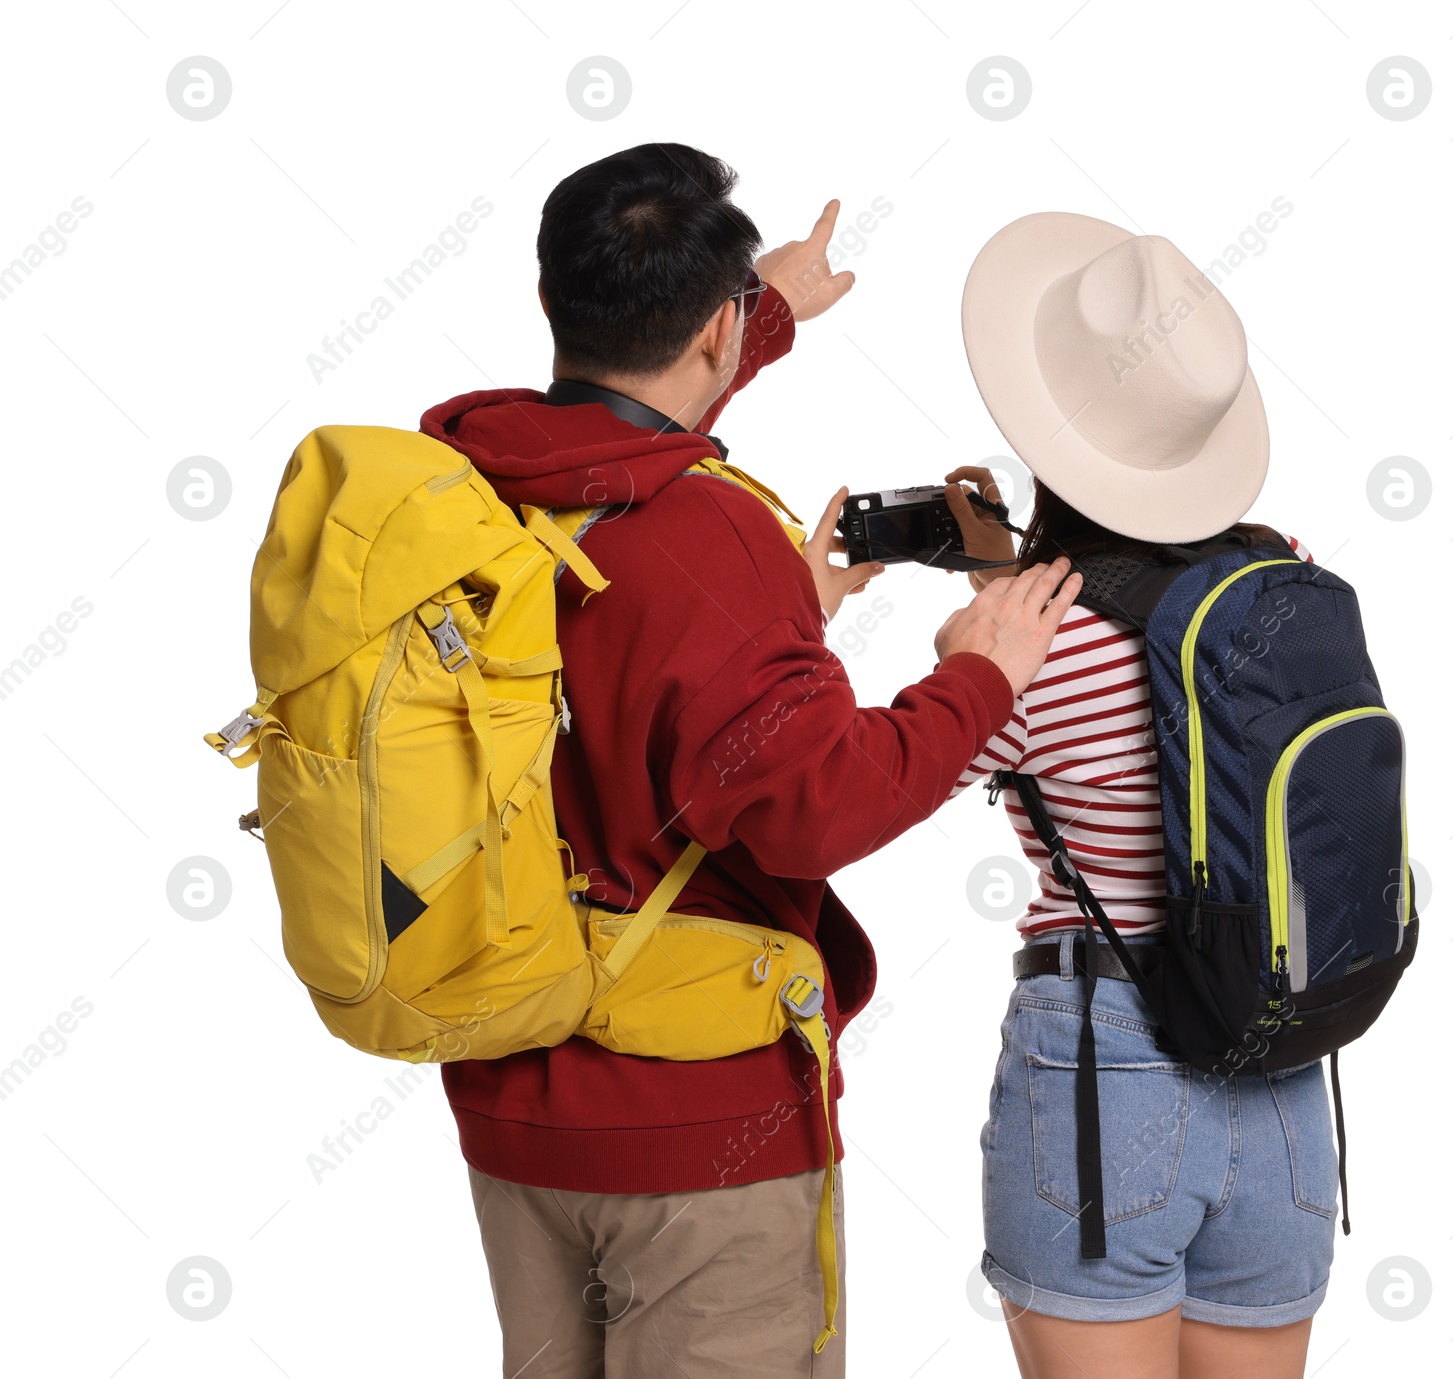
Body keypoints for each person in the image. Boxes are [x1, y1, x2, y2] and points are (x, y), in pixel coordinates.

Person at [418, 145, 1079, 1378]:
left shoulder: (470, 481)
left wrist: (763, 317)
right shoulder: (713, 536)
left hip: (512, 1106)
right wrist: (980, 668)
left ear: (555, 300)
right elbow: (815, 808)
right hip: (698, 1126)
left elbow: (605, 552)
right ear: (711, 329)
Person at [944, 214, 1336, 1379]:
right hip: (1287, 1054)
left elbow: (895, 770)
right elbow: (1158, 645)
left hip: (1108, 1065)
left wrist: (973, 639)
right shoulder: (1286, 581)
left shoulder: (1028, 648)